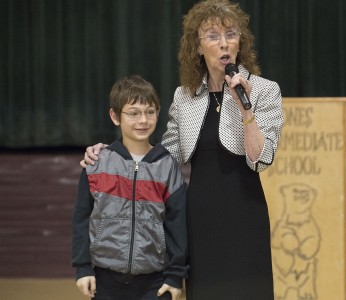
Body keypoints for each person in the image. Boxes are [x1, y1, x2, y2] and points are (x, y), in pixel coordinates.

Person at [82, 0, 284, 299]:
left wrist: (245, 108)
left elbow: (260, 160)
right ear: (199, 47)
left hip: (245, 214)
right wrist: (111, 153)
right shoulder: (186, 96)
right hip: (199, 218)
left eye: (231, 34)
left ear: (241, 42)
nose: (224, 42)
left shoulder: (265, 90)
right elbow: (165, 158)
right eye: (213, 36)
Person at [72, 75, 189, 300]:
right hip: (105, 280)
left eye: (150, 111)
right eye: (133, 113)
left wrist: (175, 276)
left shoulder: (167, 166)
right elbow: (81, 219)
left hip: (155, 282)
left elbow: (177, 225)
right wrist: (83, 268)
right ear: (115, 116)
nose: (143, 120)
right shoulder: (97, 164)